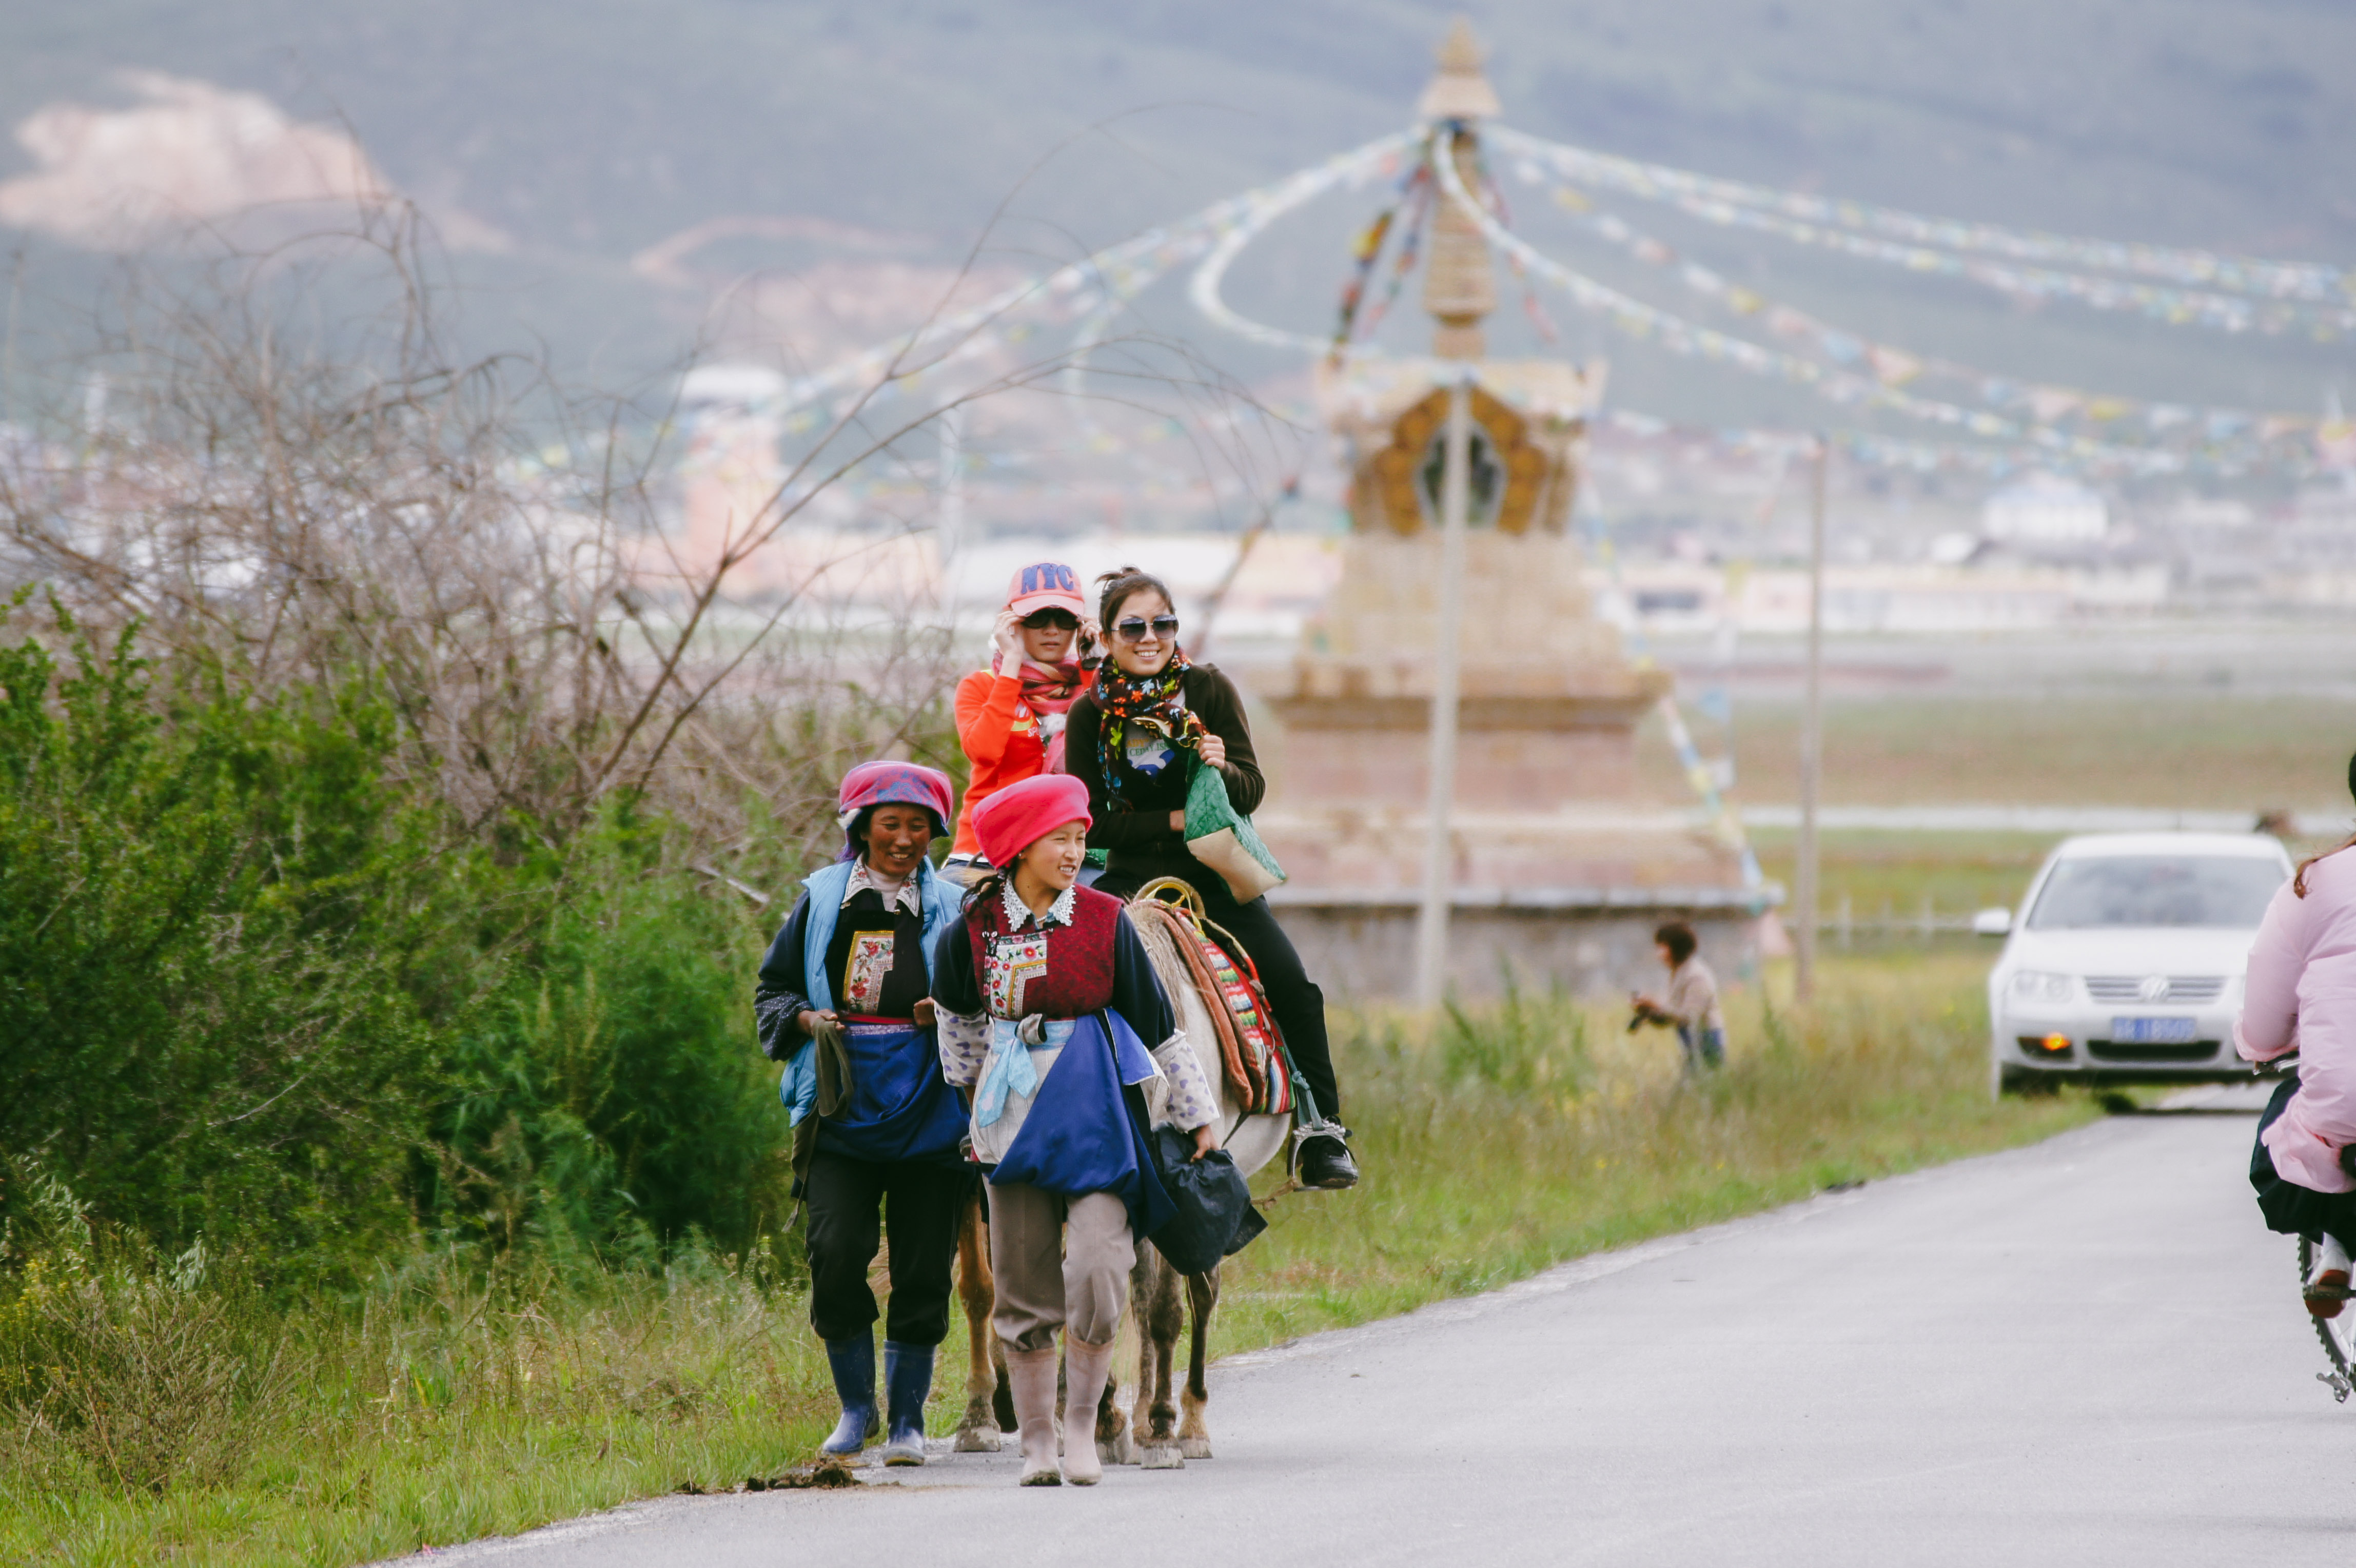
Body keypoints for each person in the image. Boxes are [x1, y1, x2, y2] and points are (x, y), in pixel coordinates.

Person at [930, 773, 1222, 1486]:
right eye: (1060, 839)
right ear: (1018, 847)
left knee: (1098, 1269)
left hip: (1096, 1117)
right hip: (1012, 1123)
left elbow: (1159, 1030)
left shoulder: (1103, 920)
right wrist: (976, 1111)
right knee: (1024, 1289)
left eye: (1080, 838)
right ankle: (1037, 1445)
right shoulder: (970, 933)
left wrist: (1198, 1118)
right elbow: (958, 1027)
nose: (1074, 851)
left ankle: (1082, 1431)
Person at [1065, 565, 1361, 1190]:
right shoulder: (1089, 715)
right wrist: (1172, 818)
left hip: (1214, 879)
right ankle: (1063, 1116)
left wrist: (1222, 773)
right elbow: (1091, 824)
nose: (1151, 637)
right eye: (1134, 626)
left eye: (1163, 623)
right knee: (1074, 983)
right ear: (1109, 637)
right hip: (1128, 882)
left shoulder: (1208, 689)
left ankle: (1320, 1128)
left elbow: (1251, 790)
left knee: (1294, 985)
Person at [752, 761, 969, 1465]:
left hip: (932, 1111)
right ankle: (855, 1411)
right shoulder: (819, 902)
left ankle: (908, 1420)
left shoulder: (956, 908)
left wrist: (952, 1012)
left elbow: (987, 997)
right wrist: (807, 1019)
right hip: (840, 1111)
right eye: (890, 824)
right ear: (859, 829)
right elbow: (772, 994)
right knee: (836, 1254)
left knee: (924, 1268)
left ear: (935, 833)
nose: (904, 840)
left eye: (918, 826)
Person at [2237, 754, 2356, 1319]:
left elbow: (2262, 1023)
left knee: (2291, 1138)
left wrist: (2259, 1046)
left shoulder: (2312, 885)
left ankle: (2335, 1244)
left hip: (2345, 1112)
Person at [945, 560, 1097, 883]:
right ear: (1012, 622)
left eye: (1066, 619)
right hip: (985, 850)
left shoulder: (1094, 687)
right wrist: (1011, 663)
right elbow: (984, 753)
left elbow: (1110, 746)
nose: (1052, 629)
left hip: (1068, 851)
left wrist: (1091, 664)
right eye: (1038, 618)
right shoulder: (981, 686)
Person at [1632, 921, 1726, 1073]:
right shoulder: (1678, 973)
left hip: (1706, 1040)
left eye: (1662, 947)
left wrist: (1656, 1006)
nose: (1658, 954)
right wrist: (1648, 1010)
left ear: (1675, 948)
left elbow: (1689, 1017)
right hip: (1691, 1042)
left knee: (1704, 1086)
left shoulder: (1696, 976)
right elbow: (1669, 1016)